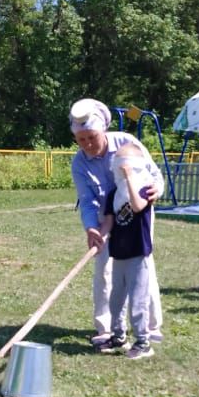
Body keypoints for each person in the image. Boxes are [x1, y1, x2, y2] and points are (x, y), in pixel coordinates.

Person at [69, 98, 164, 346]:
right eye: (82, 139)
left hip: (138, 211)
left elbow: (154, 174)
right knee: (104, 270)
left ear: (103, 130)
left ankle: (151, 327)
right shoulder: (79, 163)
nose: (88, 144)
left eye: (92, 137)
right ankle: (107, 328)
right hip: (106, 218)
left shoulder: (126, 142)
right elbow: (87, 200)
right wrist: (92, 227)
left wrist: (157, 189)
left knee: (142, 266)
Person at [97, 143, 157, 359]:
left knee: (138, 301)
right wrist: (100, 236)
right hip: (119, 253)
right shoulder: (113, 194)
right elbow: (108, 222)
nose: (122, 171)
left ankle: (143, 342)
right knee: (116, 300)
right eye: (119, 166)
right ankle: (118, 336)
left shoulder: (145, 188)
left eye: (126, 166)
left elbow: (138, 206)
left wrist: (130, 178)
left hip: (138, 253)